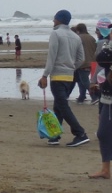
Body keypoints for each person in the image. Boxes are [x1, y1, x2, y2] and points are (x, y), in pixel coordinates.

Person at [38, 10, 88, 147]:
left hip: (58, 76)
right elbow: (81, 59)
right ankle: (55, 135)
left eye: (54, 18)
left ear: (59, 19)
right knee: (59, 106)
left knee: (62, 106)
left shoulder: (55, 33)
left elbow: (51, 56)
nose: (53, 20)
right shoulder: (75, 36)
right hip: (69, 77)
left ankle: (80, 133)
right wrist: (71, 68)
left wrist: (44, 75)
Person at [88, 38, 112, 178]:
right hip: (106, 97)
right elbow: (101, 59)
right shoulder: (107, 43)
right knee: (102, 133)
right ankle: (105, 169)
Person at [73, 23, 97, 103]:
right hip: (92, 62)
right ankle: (82, 96)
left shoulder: (78, 38)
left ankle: (94, 97)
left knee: (85, 81)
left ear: (78, 30)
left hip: (82, 62)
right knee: (81, 80)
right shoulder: (92, 38)